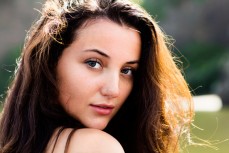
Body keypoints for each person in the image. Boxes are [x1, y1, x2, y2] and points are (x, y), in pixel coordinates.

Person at [0, 0, 193, 153]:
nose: (113, 90)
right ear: (50, 63)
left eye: (127, 70)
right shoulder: (98, 147)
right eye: (93, 63)